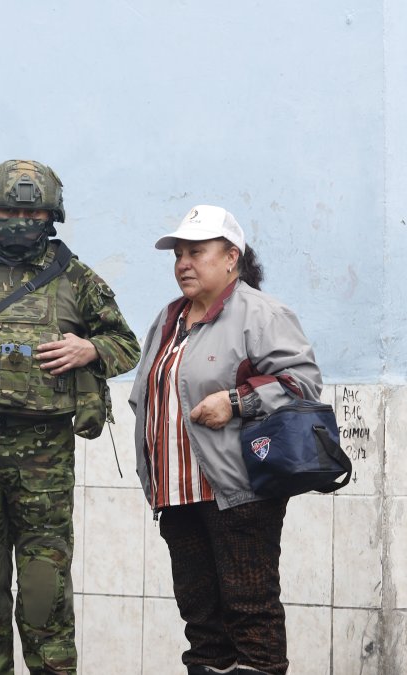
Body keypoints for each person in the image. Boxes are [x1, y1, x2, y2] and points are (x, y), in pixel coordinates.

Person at [0, 159, 140, 674]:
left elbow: (126, 345)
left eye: (32, 210)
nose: (21, 219)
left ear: (51, 214)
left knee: (44, 591)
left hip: (43, 457)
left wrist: (89, 349)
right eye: (10, 209)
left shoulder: (76, 277)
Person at [128, 205, 323, 675]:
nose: (183, 264)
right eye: (178, 255)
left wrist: (235, 402)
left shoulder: (261, 313)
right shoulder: (168, 319)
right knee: (202, 627)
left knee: (251, 617)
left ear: (231, 257)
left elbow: (303, 384)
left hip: (238, 494)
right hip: (176, 496)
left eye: (196, 252)